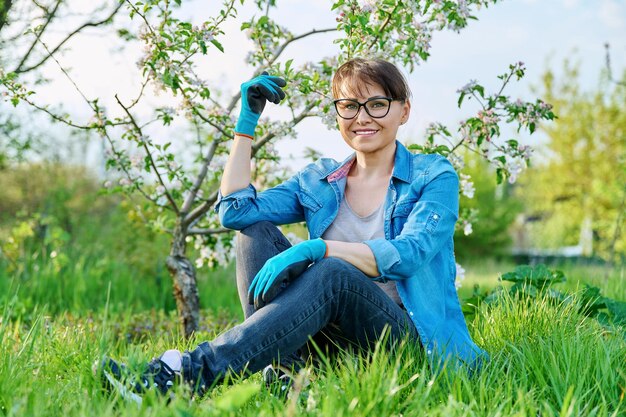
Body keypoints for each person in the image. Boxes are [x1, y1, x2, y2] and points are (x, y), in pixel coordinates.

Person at [96, 58, 488, 404]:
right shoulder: (319, 180)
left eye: (377, 104)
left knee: (334, 272)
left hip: (404, 341)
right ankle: (288, 372)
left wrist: (319, 248)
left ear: (403, 111)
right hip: (329, 341)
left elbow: (410, 254)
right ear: (337, 114)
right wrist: (245, 125)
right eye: (349, 106)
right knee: (253, 232)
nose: (362, 118)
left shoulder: (432, 175)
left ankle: (185, 374)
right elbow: (235, 211)